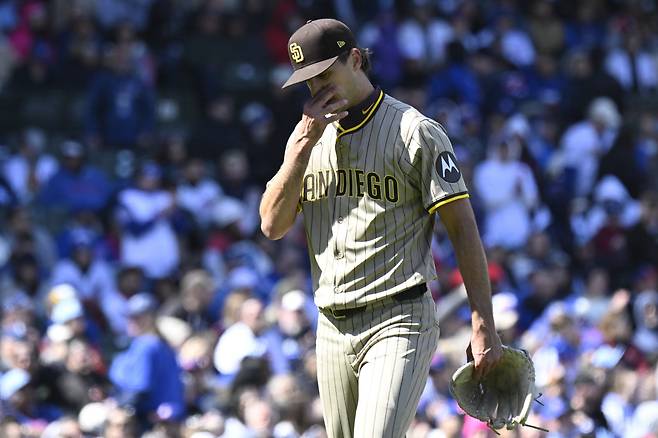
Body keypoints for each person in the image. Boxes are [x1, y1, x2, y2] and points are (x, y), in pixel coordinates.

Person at [259, 18, 503, 438]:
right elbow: (271, 225)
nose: (317, 89)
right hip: (331, 326)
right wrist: (299, 151)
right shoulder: (304, 139)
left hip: (398, 316)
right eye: (308, 81)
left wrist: (483, 322)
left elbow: (463, 229)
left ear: (355, 59)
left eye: (324, 74)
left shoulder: (415, 132)